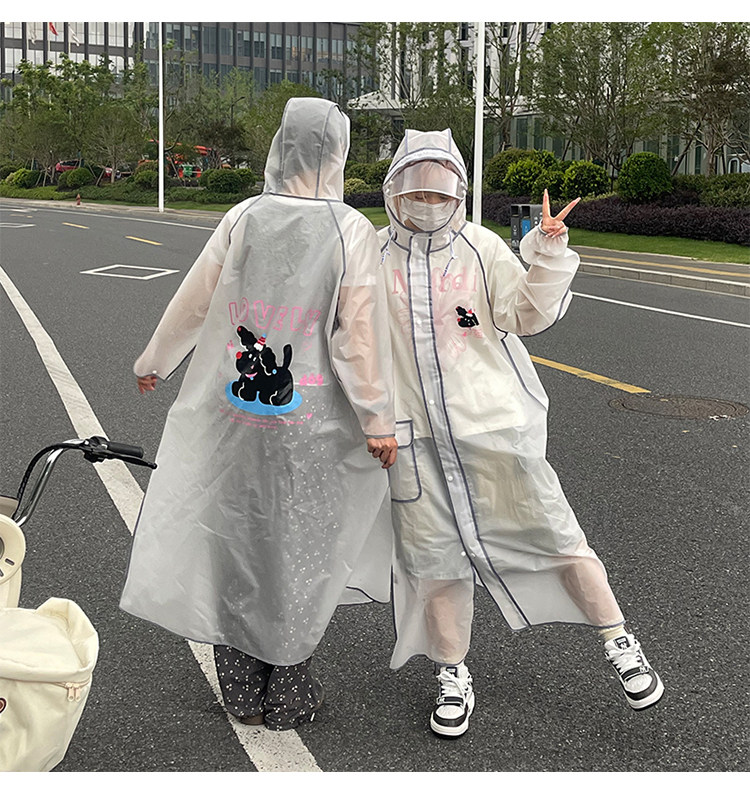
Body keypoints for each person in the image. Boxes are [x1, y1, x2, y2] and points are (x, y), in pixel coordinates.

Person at [120, 98, 397, 731]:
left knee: (235, 534)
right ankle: (288, 689)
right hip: (310, 425)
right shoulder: (351, 230)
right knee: (297, 543)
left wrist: (155, 360)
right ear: (338, 152)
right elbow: (357, 337)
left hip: (233, 417)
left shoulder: (244, 216)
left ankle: (242, 689)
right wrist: (377, 420)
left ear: (281, 146)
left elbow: (198, 299)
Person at [377, 129, 663, 738]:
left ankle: (618, 639)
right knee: (433, 559)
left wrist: (548, 253)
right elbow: (351, 340)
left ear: (458, 192)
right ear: (393, 189)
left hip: (492, 426)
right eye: (415, 189)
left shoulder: (480, 248)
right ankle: (451, 670)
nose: (426, 201)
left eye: (439, 190)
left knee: (552, 531)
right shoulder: (373, 256)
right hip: (413, 438)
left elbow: (525, 314)